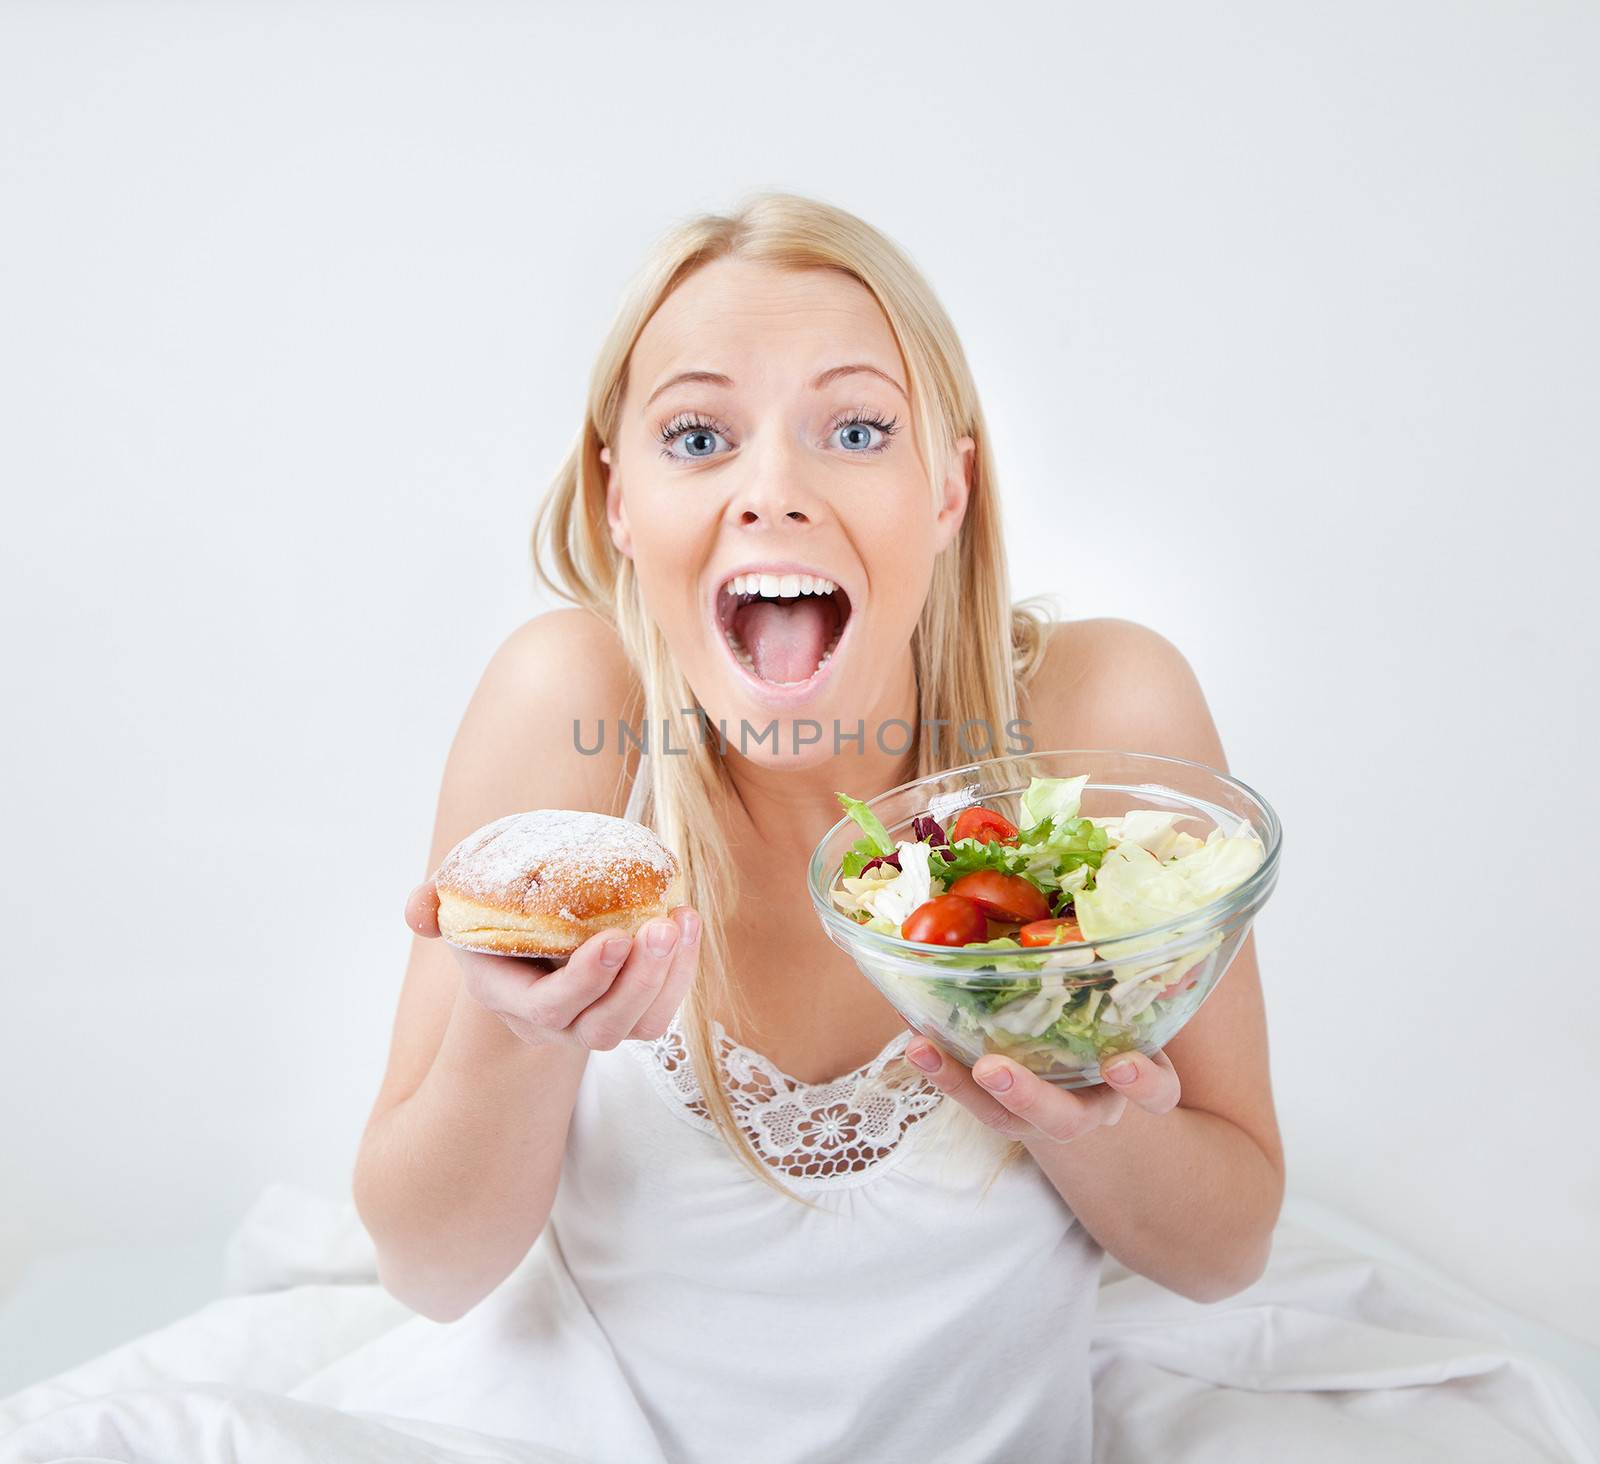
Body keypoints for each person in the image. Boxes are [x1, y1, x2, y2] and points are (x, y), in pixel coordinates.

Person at [351, 190, 1285, 1463]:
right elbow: (430, 1269)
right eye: (696, 436)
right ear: (616, 498)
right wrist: (513, 1039)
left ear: (947, 486)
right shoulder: (569, 704)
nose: (770, 491)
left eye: (853, 427)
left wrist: (1091, 1122)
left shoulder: (1099, 716)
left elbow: (1224, 1254)